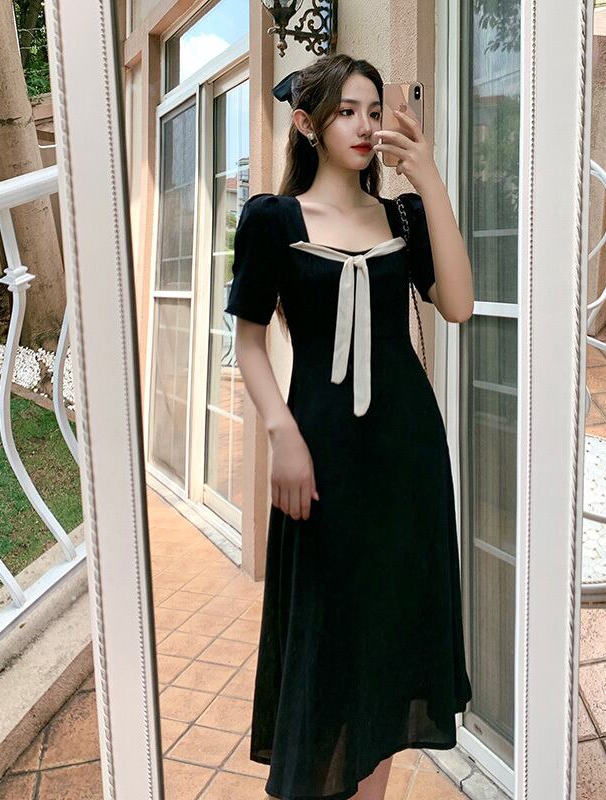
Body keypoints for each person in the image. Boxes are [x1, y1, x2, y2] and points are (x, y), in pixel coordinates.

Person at [224, 52, 475, 800]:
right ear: (308, 123)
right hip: (320, 456)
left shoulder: (401, 217)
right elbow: (248, 341)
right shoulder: (273, 220)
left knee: (390, 641)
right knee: (329, 637)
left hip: (407, 457)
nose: (365, 126)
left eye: (372, 110)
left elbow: (458, 305)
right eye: (347, 112)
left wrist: (428, 180)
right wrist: (282, 435)